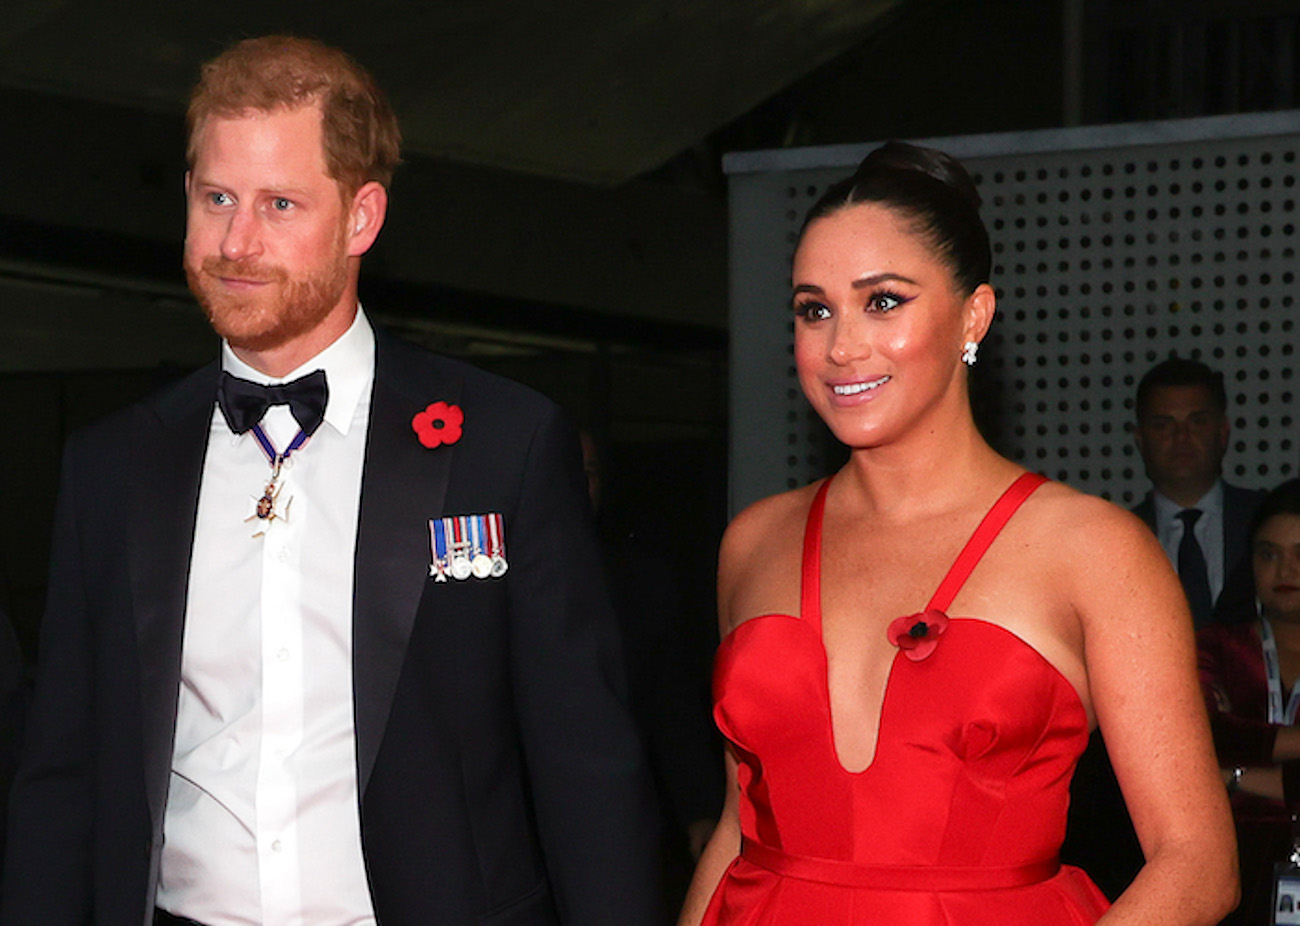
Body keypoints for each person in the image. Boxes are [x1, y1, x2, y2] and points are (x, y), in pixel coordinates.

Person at [0, 35, 660, 926]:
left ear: (361, 217)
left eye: (279, 203)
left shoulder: (504, 444)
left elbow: (587, 767)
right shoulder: (113, 464)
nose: (237, 241)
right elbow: (62, 774)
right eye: (217, 198)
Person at [677, 141, 1237, 925]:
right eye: (815, 309)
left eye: (883, 301)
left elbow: (1198, 864)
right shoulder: (754, 541)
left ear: (974, 312)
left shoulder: (1092, 550)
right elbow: (741, 831)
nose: (842, 346)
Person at [1199, 478, 1300, 925]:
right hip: (1227, 870)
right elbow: (1204, 732)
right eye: (1268, 553)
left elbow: (1223, 747)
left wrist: (1232, 776)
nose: (1285, 570)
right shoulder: (1215, 645)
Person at [1131, 358, 1265, 628]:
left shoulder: (1267, 522)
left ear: (1222, 433)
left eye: (1197, 422)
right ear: (1140, 439)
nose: (1181, 437)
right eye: (1163, 425)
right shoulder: (1119, 536)